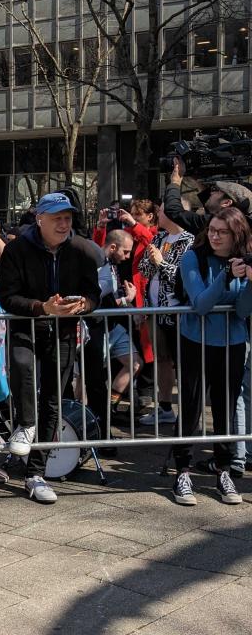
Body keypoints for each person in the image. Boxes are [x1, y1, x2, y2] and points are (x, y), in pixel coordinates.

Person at [0, 192, 101, 504]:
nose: (63, 223)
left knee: (54, 398)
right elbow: (8, 297)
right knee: (23, 370)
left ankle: (36, 473)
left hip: (64, 333)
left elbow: (95, 293)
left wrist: (85, 304)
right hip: (27, 328)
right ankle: (26, 425)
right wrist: (43, 307)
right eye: (57, 218)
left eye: (67, 217)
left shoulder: (82, 249)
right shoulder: (16, 249)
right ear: (40, 219)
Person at [172, 208, 252, 506]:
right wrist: (226, 276)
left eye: (223, 232)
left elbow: (243, 310)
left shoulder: (243, 260)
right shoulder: (194, 257)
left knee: (226, 408)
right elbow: (201, 303)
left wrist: (250, 281)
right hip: (196, 341)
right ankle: (182, 470)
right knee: (191, 406)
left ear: (237, 235)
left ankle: (223, 470)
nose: (215, 236)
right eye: (213, 230)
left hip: (232, 343)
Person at [137, 205, 193, 425]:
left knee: (183, 363)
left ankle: (188, 412)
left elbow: (183, 280)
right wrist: (152, 261)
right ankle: (165, 407)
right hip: (155, 312)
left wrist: (161, 262)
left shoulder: (190, 241)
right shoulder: (159, 238)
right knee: (162, 359)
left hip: (179, 314)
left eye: (160, 211)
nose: (157, 215)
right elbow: (144, 270)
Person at [98, 230, 142, 407]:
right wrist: (127, 299)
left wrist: (127, 304)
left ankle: (109, 408)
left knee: (134, 363)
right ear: (113, 247)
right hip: (98, 327)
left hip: (113, 326)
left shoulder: (112, 263)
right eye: (125, 252)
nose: (127, 256)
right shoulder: (98, 264)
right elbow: (95, 300)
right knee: (88, 377)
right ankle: (83, 418)